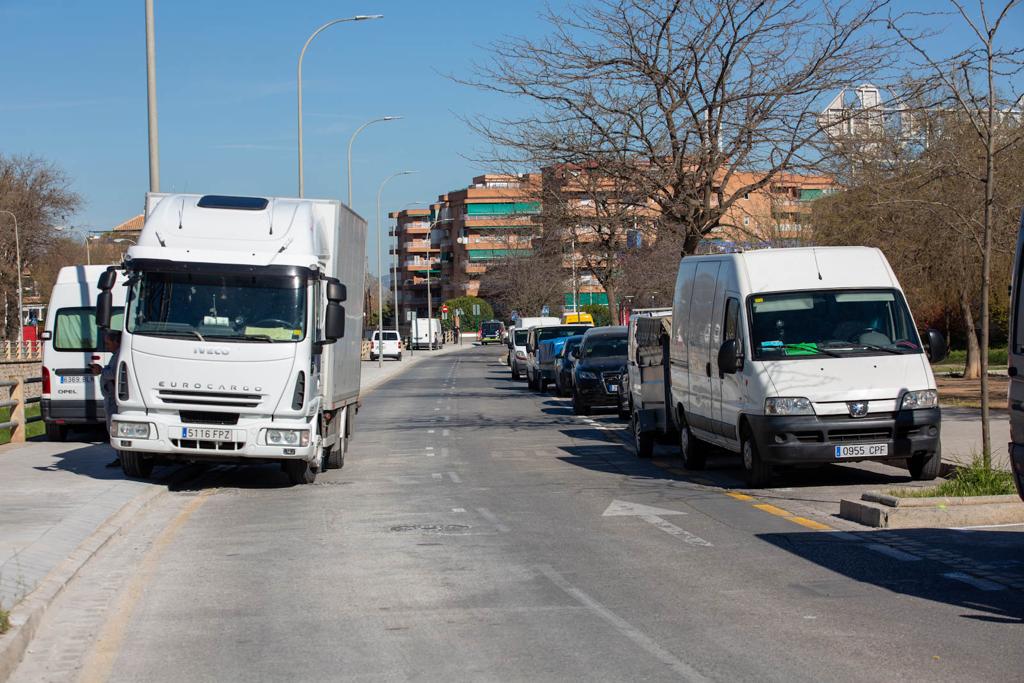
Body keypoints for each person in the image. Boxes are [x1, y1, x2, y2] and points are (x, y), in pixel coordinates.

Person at [91, 330, 122, 467]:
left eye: (108, 343)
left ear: (117, 342)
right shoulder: (116, 355)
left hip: (113, 398)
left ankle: (121, 457)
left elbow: (115, 373)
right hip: (110, 396)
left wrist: (101, 371)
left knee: (113, 428)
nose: (106, 346)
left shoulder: (120, 355)